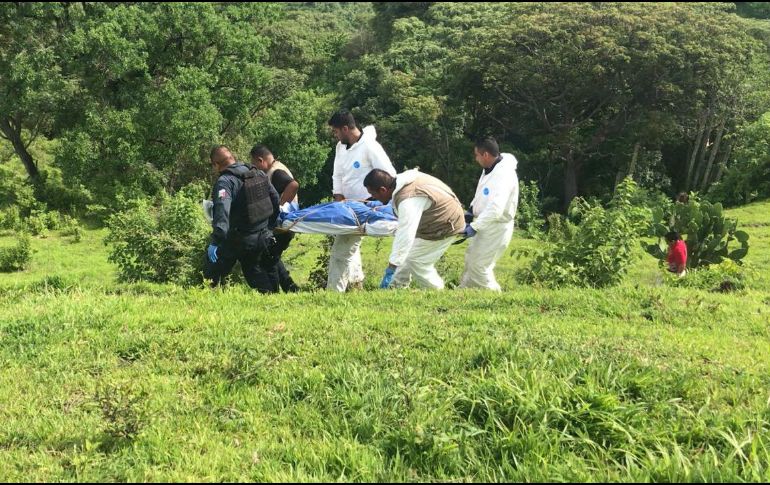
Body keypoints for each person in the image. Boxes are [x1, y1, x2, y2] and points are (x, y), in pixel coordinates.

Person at [327, 109, 396, 292]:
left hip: (368, 208)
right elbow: (338, 174)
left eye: (336, 131)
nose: (335, 136)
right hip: (347, 207)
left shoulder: (370, 147)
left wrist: (374, 201)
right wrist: (339, 199)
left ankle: (334, 293)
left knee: (341, 251)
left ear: (345, 129)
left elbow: (389, 176)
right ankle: (356, 285)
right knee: (347, 247)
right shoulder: (340, 147)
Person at [364, 168, 465, 290]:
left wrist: (391, 266)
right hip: (439, 217)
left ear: (383, 190)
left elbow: (405, 234)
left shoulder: (408, 199)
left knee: (416, 261)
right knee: (406, 255)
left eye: (373, 194)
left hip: (445, 224)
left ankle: (436, 291)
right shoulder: (403, 181)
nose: (373, 198)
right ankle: (395, 288)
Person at [204, 145, 281, 293]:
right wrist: (270, 226)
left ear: (216, 164)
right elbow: (275, 198)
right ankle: (273, 300)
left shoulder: (225, 182)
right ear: (232, 157)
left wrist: (216, 241)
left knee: (211, 271)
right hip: (262, 235)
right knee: (255, 273)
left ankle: (205, 297)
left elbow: (222, 213)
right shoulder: (257, 172)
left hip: (239, 238)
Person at [459, 137, 520, 291]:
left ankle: (493, 296)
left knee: (479, 266)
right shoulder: (489, 169)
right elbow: (482, 194)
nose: (476, 158)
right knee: (471, 259)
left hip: (496, 226)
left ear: (485, 155)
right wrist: (470, 211)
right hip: (485, 224)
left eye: (477, 155)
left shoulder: (504, 174)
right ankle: (464, 291)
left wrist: (474, 226)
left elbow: (496, 209)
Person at [250, 144, 300, 293]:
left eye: (254, 164)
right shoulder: (276, 168)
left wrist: (279, 206)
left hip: (283, 224)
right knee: (272, 256)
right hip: (285, 224)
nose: (255, 169)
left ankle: (273, 292)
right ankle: (290, 288)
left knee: (268, 258)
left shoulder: (276, 171)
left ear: (260, 160)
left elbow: (293, 185)